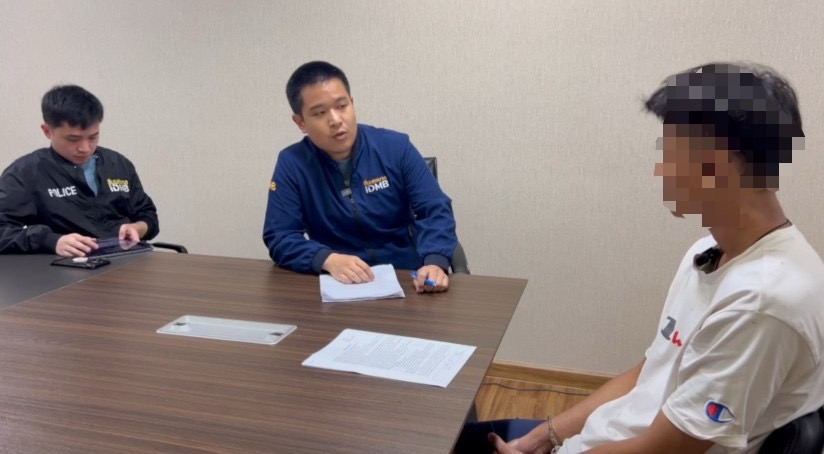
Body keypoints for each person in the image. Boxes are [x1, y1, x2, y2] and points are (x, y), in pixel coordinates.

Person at [455, 63, 824, 453]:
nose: (659, 169)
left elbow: (663, 449)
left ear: (715, 165)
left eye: (670, 154)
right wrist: (545, 435)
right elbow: (650, 371)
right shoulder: (708, 252)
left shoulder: (763, 303)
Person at [263, 61, 458, 293]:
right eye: (320, 113)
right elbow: (280, 236)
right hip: (338, 282)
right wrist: (326, 259)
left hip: (407, 278)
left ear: (352, 103)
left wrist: (435, 261)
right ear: (300, 122)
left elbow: (434, 208)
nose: (335, 120)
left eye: (342, 106)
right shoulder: (292, 164)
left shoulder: (395, 147)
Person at [0, 85, 159, 257]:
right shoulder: (25, 173)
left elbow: (148, 215)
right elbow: (3, 232)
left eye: (93, 137)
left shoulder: (118, 164)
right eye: (73, 139)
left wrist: (138, 228)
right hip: (64, 265)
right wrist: (51, 241)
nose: (85, 148)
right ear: (47, 131)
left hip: (125, 259)